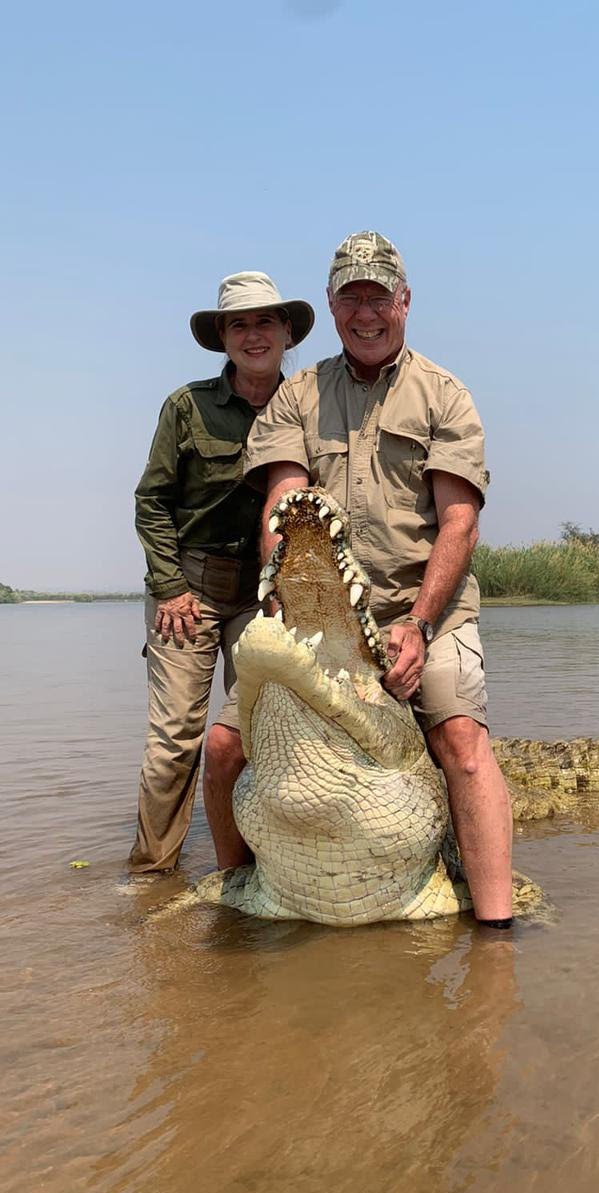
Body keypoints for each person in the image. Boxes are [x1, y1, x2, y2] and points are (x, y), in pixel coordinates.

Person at [243, 232, 515, 926]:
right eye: (350, 297)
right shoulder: (296, 397)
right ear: (332, 307)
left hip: (430, 606)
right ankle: (242, 895)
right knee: (222, 752)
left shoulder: (445, 396)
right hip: (325, 607)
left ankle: (499, 928)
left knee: (461, 742)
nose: (366, 312)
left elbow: (459, 525)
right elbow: (283, 501)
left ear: (404, 300)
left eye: (378, 296)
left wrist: (420, 626)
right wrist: (280, 593)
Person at [130, 272, 315, 873]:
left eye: (265, 322)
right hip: (191, 592)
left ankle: (257, 869)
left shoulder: (308, 406)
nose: (253, 336)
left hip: (266, 599)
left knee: (259, 733)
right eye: (239, 324)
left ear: (287, 332)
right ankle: (153, 874)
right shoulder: (188, 406)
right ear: (222, 337)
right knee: (173, 745)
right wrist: (169, 587)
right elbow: (151, 501)